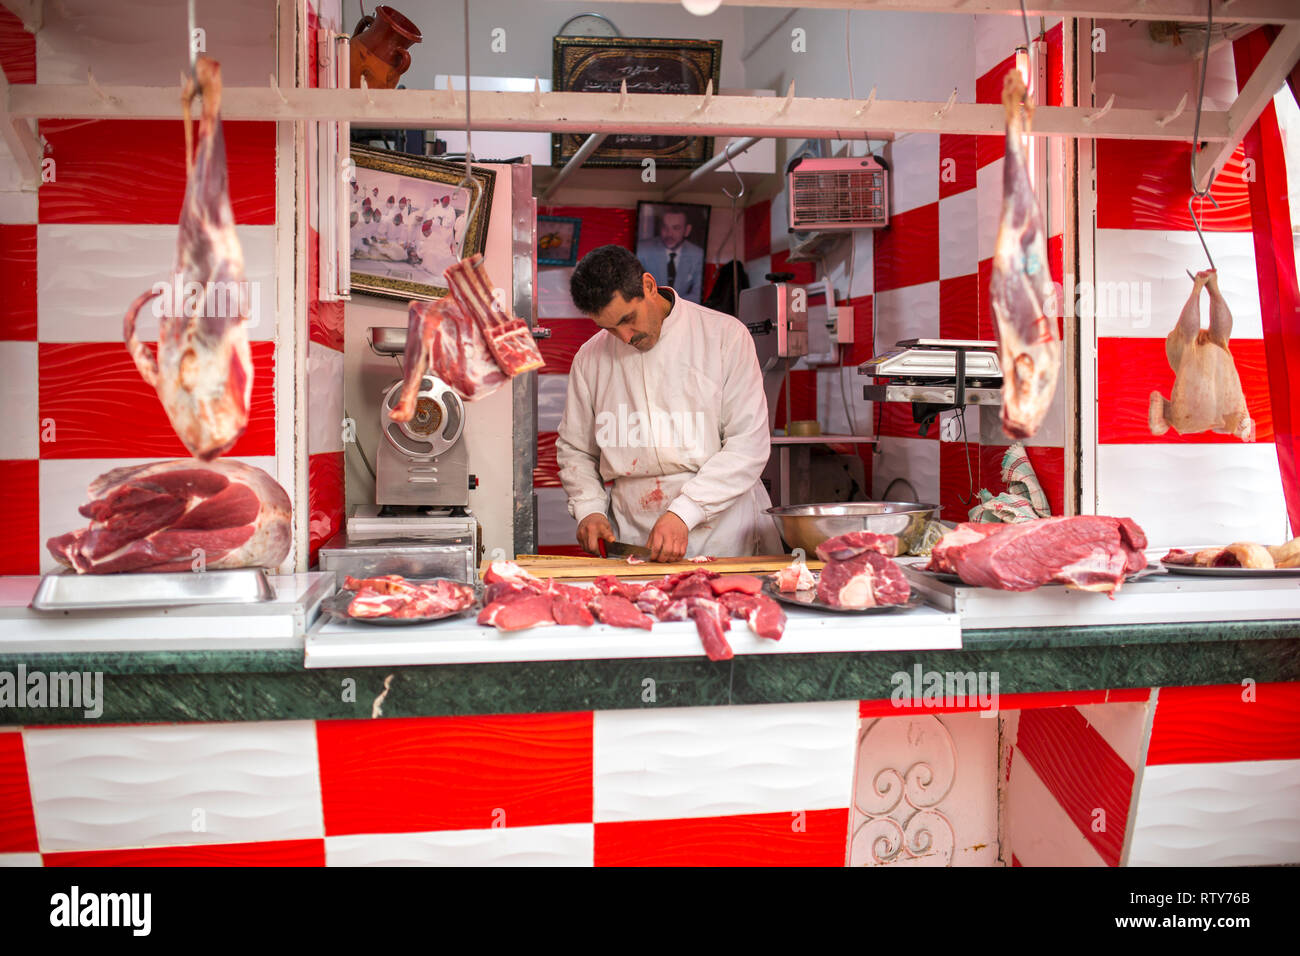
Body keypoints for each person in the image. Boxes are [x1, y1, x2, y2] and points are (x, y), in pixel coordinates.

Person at [556, 244, 782, 562]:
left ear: (649, 286)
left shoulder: (725, 336)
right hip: (634, 533)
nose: (625, 337)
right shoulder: (589, 358)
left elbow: (748, 445)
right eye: (609, 328)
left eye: (628, 319)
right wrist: (589, 509)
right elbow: (576, 450)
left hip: (721, 530)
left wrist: (685, 512)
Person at [637, 207, 705, 303]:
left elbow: (697, 295)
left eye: (676, 228)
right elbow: (636, 289)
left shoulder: (697, 254)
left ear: (687, 230)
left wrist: (673, 306)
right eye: (665, 227)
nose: (669, 234)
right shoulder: (642, 250)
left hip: (683, 309)